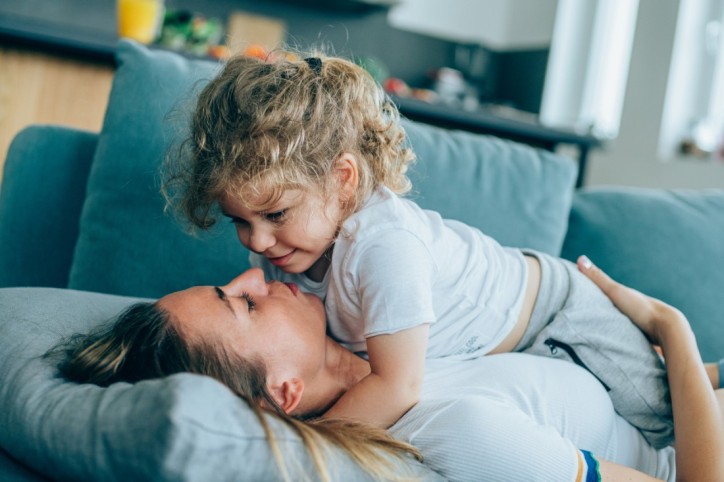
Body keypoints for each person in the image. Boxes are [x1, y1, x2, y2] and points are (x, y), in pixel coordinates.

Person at [165, 50, 673, 447]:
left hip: (558, 312)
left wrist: (303, 448)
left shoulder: (383, 247)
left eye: (275, 215)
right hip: (504, 341)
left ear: (343, 181)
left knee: (663, 416)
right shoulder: (281, 251)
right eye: (239, 220)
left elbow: (396, 386)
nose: (256, 242)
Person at [52, 260, 724, 481]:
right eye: (244, 305)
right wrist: (673, 329)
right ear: (284, 393)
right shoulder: (459, 431)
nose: (255, 271)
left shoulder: (387, 335)